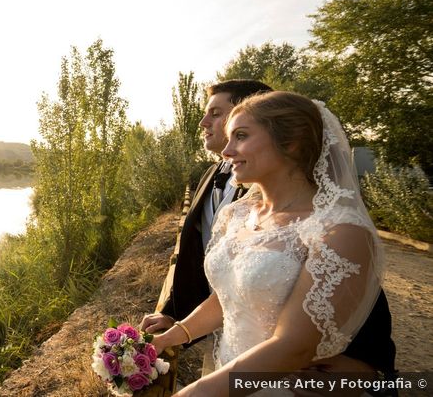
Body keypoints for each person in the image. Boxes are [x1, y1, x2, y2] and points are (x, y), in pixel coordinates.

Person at [149, 91, 394, 396]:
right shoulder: (237, 213)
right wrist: (176, 334)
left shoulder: (338, 229)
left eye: (240, 136)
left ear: (291, 143)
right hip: (228, 373)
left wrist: (193, 393)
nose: (226, 151)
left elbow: (293, 346)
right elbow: (229, 296)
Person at [147, 80, 272, 338]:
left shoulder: (271, 190)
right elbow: (193, 251)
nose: (203, 122)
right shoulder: (211, 173)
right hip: (216, 327)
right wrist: (174, 314)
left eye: (215, 114)